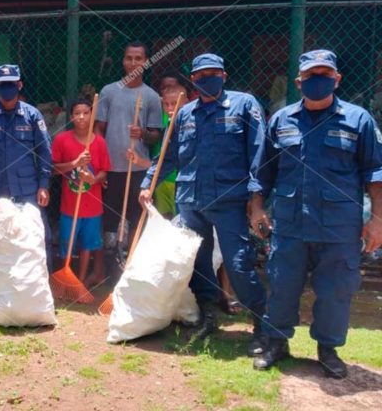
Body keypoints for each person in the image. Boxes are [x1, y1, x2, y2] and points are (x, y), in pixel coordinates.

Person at [250, 50, 382, 378]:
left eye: (325, 74)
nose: (318, 80)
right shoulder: (281, 120)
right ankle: (277, 343)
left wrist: (377, 220)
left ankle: (328, 349)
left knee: (337, 288)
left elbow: (376, 173)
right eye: (311, 75)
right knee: (281, 284)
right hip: (291, 223)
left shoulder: (359, 120)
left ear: (337, 79)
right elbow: (262, 173)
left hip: (339, 226)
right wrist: (255, 208)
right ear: (299, 82)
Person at [138, 53, 268, 355]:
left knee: (237, 262)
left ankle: (263, 324)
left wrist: (256, 198)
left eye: (213, 73)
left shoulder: (244, 105)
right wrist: (148, 183)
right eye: (200, 75)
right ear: (193, 81)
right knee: (196, 260)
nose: (206, 78)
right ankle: (208, 314)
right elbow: (167, 156)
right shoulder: (185, 115)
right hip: (190, 199)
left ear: (223, 76)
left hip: (229, 200)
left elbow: (259, 153)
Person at [0, 64, 53, 270]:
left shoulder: (32, 115)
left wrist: (44, 184)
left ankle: (37, 281)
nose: (6, 88)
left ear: (19, 85)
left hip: (27, 190)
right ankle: (1, 283)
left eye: (10, 84)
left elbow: (44, 152)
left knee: (34, 235)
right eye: (2, 85)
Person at [94, 41, 163, 248]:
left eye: (138, 58)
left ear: (146, 62)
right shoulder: (108, 91)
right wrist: (101, 165)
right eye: (129, 58)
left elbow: (155, 135)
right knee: (109, 217)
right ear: (123, 61)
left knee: (136, 216)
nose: (133, 63)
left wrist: (142, 133)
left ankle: (131, 259)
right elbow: (98, 129)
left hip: (138, 168)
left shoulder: (151, 96)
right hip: (111, 167)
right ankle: (112, 261)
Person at [51, 98, 111, 284]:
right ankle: (65, 279)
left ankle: (82, 281)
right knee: (67, 244)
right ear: (71, 117)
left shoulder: (99, 142)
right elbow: (53, 169)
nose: (82, 117)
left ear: (92, 115)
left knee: (87, 245)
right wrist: (74, 164)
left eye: (86, 113)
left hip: (92, 206)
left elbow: (104, 172)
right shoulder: (62, 140)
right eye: (77, 113)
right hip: (69, 206)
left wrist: (93, 180)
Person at [151, 84, 189, 218]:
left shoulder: (191, 124)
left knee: (184, 220)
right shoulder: (165, 120)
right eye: (166, 104)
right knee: (165, 218)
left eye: (174, 103)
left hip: (184, 182)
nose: (170, 108)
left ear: (186, 103)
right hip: (164, 179)